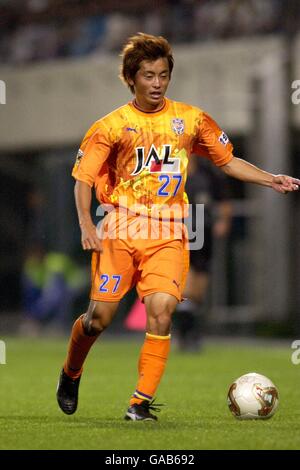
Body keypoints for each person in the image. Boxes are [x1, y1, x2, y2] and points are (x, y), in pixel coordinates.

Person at [56, 33, 300, 422]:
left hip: (169, 230)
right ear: (131, 78)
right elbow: (83, 180)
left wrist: (270, 179)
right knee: (97, 319)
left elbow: (228, 160)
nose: (157, 83)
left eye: (163, 75)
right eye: (149, 75)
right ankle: (71, 371)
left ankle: (139, 403)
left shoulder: (191, 119)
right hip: (119, 227)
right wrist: (87, 224)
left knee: (162, 310)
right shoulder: (111, 126)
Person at [175, 155, 232, 351]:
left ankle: (190, 331)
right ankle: (187, 335)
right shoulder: (171, 170)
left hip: (204, 230)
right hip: (180, 230)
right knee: (187, 285)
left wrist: (223, 220)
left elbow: (223, 199)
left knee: (199, 288)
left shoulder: (208, 172)